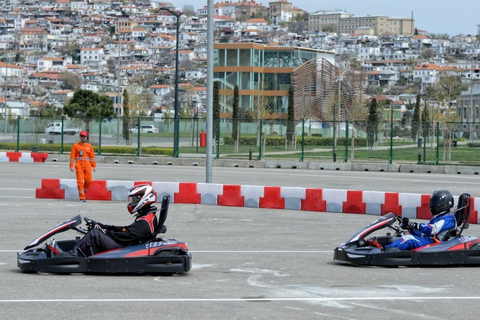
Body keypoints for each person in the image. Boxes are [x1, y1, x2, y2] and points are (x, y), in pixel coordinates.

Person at [60, 184, 158, 257]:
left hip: (125, 247)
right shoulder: (146, 215)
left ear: (144, 199)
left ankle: (71, 256)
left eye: (135, 200)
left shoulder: (146, 221)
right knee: (96, 230)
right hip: (126, 243)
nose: (132, 203)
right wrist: (102, 226)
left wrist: (106, 232)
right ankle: (77, 251)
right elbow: (125, 230)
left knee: (95, 234)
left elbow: (126, 236)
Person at [384, 190, 457, 251]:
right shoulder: (438, 217)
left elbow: (432, 229)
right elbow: (425, 233)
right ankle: (385, 246)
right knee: (404, 234)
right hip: (429, 239)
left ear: (446, 203)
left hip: (435, 244)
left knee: (409, 239)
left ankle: (385, 251)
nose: (433, 204)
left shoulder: (449, 219)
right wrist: (411, 228)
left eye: (436, 202)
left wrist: (415, 225)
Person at [69, 130, 96, 202]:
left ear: (86, 137)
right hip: (79, 164)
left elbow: (92, 157)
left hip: (87, 165)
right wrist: (71, 166)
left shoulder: (89, 146)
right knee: (80, 181)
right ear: (79, 137)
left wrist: (94, 166)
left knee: (89, 180)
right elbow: (72, 156)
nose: (83, 138)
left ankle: (83, 191)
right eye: (82, 136)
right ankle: (82, 197)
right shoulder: (76, 146)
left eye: (84, 136)